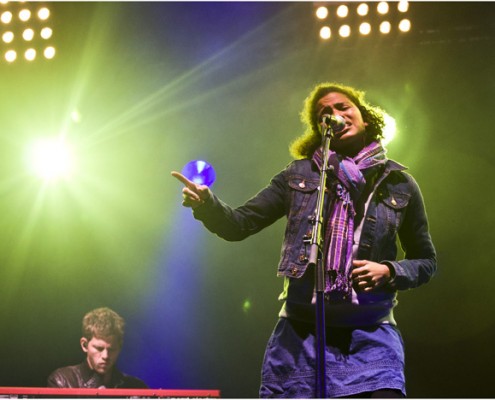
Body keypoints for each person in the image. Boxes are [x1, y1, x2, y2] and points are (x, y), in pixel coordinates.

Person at [171, 82, 437, 398]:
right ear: (319, 130)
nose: (335, 115)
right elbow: (239, 224)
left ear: (365, 118)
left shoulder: (399, 184)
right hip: (300, 338)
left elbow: (426, 261)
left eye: (343, 107)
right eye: (325, 113)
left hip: (371, 338)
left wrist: (390, 271)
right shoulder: (298, 175)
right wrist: (207, 205)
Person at [47, 307, 148, 389]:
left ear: (120, 347)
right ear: (84, 345)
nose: (106, 356)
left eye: (112, 349)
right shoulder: (62, 381)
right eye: (99, 348)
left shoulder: (136, 388)